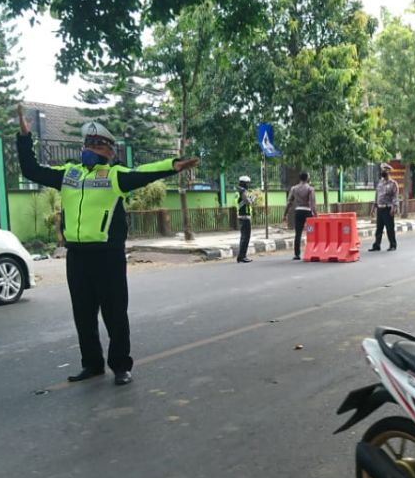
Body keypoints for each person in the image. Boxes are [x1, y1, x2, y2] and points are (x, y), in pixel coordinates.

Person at [16, 104, 198, 386]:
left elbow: (142, 173)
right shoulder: (68, 175)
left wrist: (171, 166)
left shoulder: (114, 177)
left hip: (108, 258)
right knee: (83, 316)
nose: (91, 149)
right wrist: (24, 137)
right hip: (77, 257)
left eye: (98, 145)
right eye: (88, 144)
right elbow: (30, 170)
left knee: (114, 314)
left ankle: (121, 366)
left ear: (109, 151)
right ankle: (92, 365)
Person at [284, 171, 317, 260]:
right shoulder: (310, 189)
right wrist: (315, 215)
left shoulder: (294, 188)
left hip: (298, 212)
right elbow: (312, 203)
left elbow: (289, 202)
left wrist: (285, 214)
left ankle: (297, 254)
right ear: (307, 178)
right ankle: (313, 251)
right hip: (308, 213)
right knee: (312, 232)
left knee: (298, 233)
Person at [369, 163, 398, 252]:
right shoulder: (380, 183)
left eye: (384, 171)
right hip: (380, 209)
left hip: (388, 209)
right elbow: (377, 196)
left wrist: (394, 208)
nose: (382, 172)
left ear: (388, 172)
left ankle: (392, 245)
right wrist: (373, 208)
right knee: (379, 229)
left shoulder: (393, 184)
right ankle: (377, 245)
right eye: (382, 171)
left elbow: (395, 197)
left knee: (390, 228)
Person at [236, 176, 254, 264]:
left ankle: (241, 256)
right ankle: (242, 257)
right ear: (244, 183)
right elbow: (248, 202)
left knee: (243, 237)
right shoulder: (242, 191)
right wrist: (253, 199)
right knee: (245, 237)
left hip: (241, 216)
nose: (248, 185)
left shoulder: (238, 191)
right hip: (245, 217)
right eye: (247, 183)